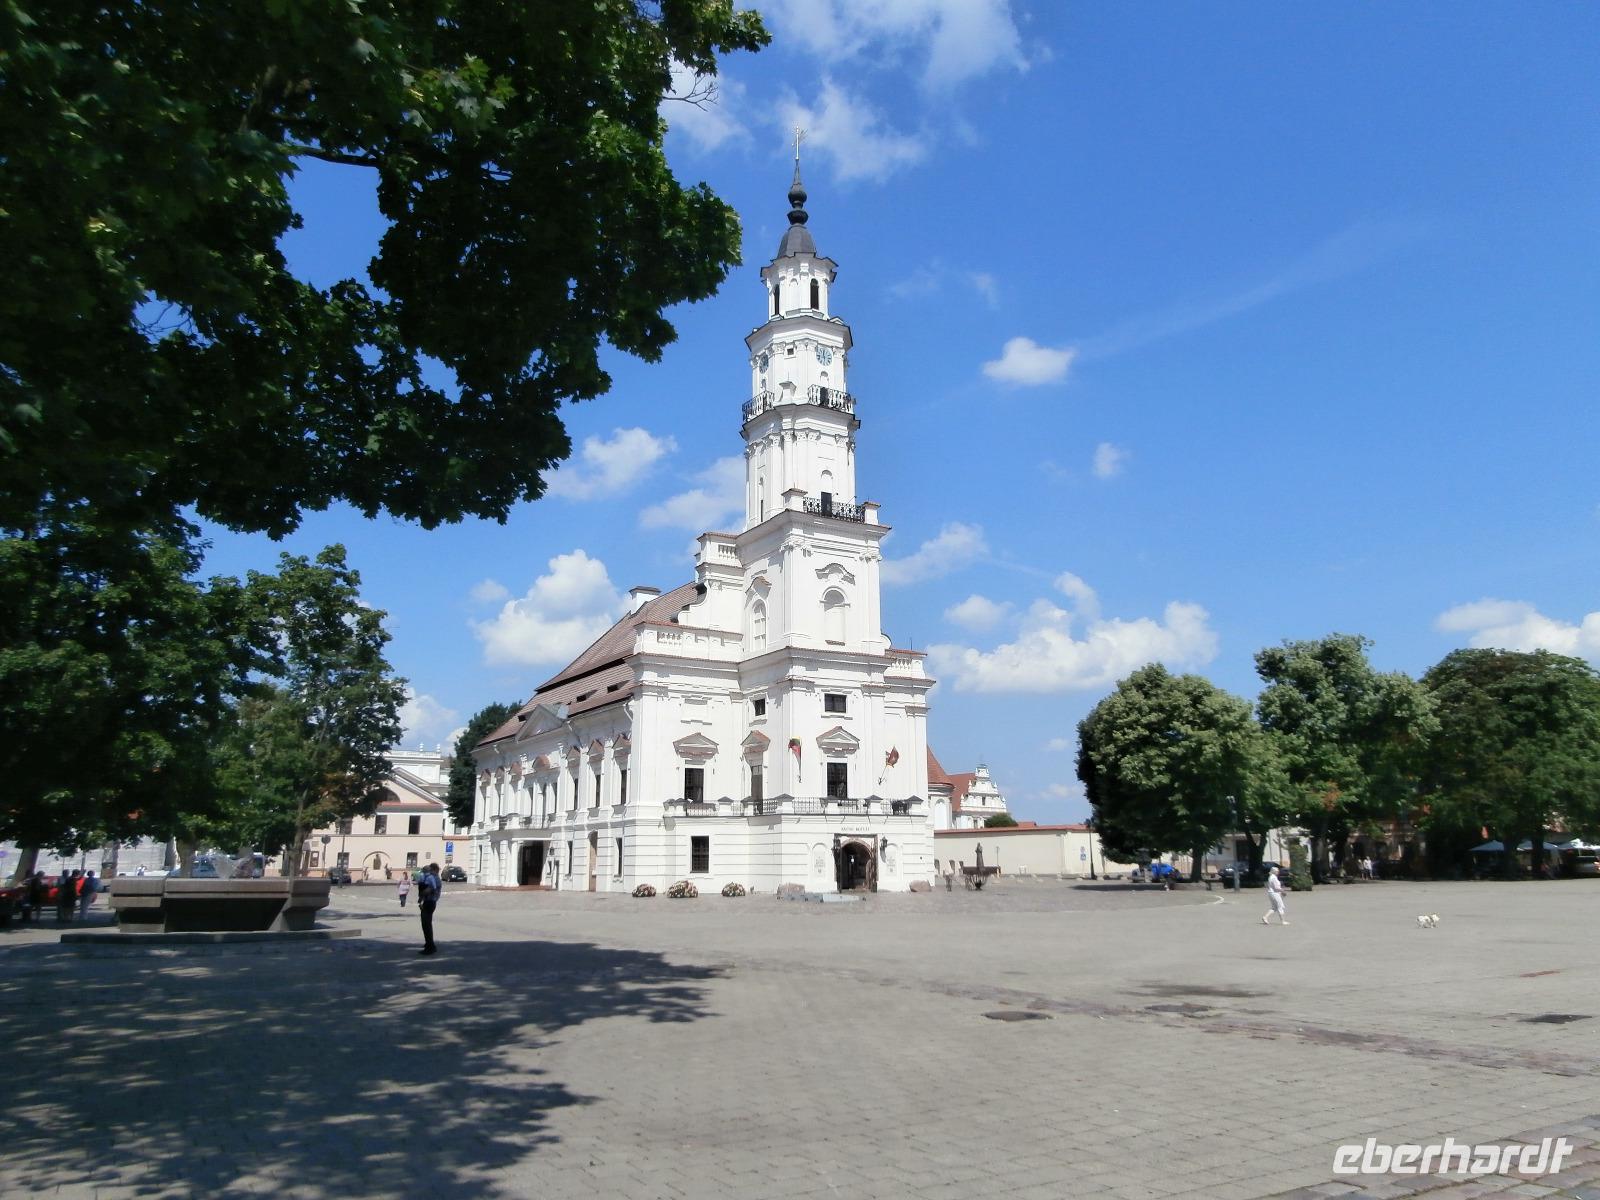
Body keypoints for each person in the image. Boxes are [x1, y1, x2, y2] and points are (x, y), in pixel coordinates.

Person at [415, 862, 441, 955]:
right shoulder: (432, 878)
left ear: (434, 870)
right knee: (425, 924)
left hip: (430, 902)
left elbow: (430, 889)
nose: (429, 872)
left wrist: (422, 894)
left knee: (426, 925)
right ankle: (428, 944)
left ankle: (430, 946)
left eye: (431, 870)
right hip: (428, 902)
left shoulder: (435, 879)